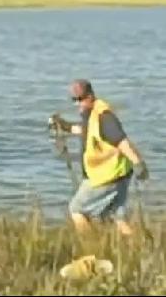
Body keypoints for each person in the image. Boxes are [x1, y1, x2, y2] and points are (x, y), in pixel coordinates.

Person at [50, 79, 149, 235]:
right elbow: (85, 131)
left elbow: (122, 142)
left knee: (76, 210)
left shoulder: (104, 117)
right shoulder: (92, 114)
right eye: (74, 100)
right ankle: (140, 245)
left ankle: (91, 247)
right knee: (117, 216)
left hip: (106, 176)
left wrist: (138, 163)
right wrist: (65, 126)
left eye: (80, 99)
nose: (77, 104)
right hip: (121, 174)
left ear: (90, 96)